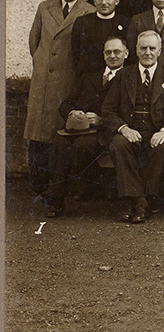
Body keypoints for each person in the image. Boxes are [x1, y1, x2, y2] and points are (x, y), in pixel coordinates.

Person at [25, 0, 97, 196]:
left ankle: (57, 189)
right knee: (37, 134)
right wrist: (42, 62)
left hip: (68, 80)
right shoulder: (45, 7)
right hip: (43, 81)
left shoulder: (88, 11)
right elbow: (33, 41)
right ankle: (37, 187)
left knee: (59, 135)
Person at [103, 30, 164, 223]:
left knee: (163, 146)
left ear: (159, 51)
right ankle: (140, 201)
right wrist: (124, 128)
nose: (148, 52)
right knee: (119, 143)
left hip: (156, 130)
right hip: (130, 129)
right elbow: (108, 109)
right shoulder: (124, 75)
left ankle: (139, 200)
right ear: (136, 51)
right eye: (144, 48)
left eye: (152, 48)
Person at [51, 36, 128, 213]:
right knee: (59, 143)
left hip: (105, 130)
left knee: (81, 146)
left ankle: (88, 187)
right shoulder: (88, 78)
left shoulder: (129, 78)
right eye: (108, 52)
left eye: (117, 52)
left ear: (126, 53)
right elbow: (66, 104)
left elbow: (128, 112)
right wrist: (72, 114)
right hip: (79, 128)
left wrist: (102, 120)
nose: (113, 56)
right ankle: (57, 200)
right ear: (103, 55)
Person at [71, 0, 129, 75]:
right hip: (89, 78)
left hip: (117, 78)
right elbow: (75, 53)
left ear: (117, 1)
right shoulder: (82, 22)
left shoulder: (126, 23)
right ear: (94, 1)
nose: (104, 2)